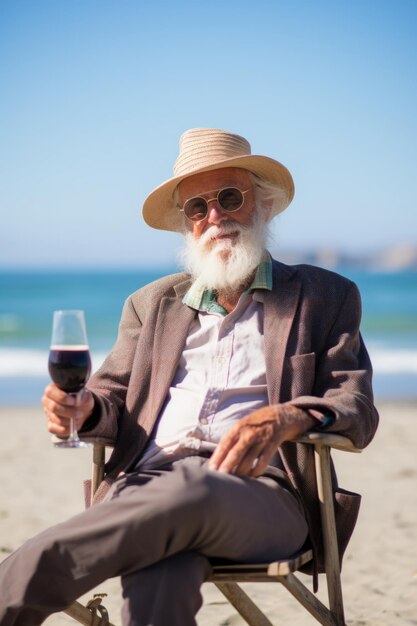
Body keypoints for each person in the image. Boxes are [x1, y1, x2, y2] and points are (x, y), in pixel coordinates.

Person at [0, 128, 379, 626]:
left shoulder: (323, 295)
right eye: (198, 208)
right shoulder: (150, 304)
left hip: (260, 493)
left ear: (262, 205)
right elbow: (109, 400)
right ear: (186, 224)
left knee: (192, 492)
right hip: (147, 484)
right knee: (162, 573)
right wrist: (83, 409)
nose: (214, 217)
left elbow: (355, 407)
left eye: (228, 198)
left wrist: (286, 417)